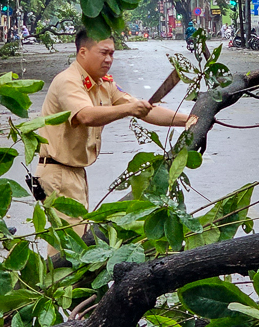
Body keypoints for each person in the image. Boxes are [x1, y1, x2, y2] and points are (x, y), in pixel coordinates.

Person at [34, 29, 193, 247]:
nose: (109, 59)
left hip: (75, 173)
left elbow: (145, 110)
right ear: (83, 52)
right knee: (70, 250)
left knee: (74, 245)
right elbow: (86, 115)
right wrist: (129, 110)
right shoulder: (68, 81)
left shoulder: (104, 83)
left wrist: (188, 120)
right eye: (103, 53)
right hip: (57, 173)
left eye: (112, 54)